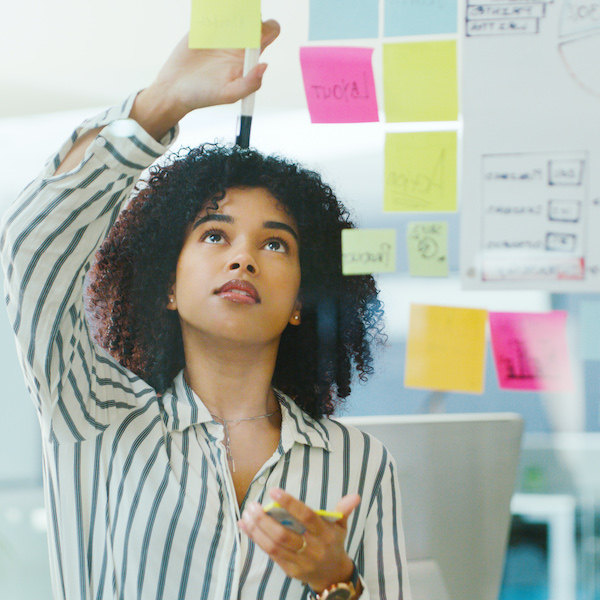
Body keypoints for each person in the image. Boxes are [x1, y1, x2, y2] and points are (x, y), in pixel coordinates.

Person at [1, 19, 410, 600]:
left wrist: (336, 581)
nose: (244, 258)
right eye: (215, 236)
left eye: (275, 244)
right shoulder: (94, 414)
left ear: (301, 298)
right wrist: (155, 107)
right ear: (166, 284)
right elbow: (31, 248)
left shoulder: (358, 463)